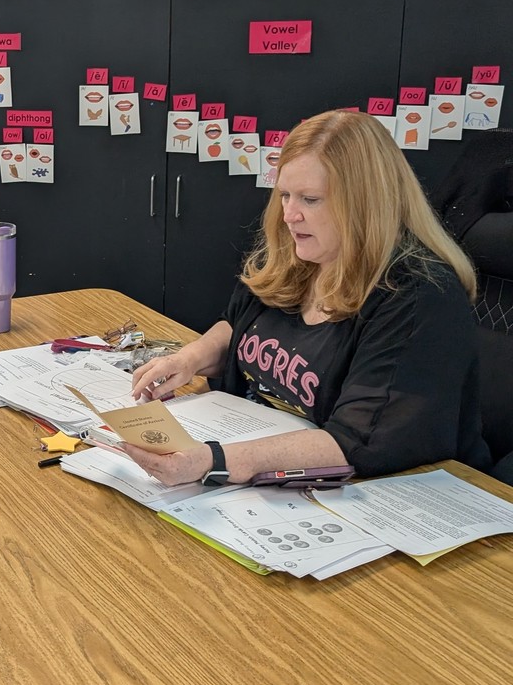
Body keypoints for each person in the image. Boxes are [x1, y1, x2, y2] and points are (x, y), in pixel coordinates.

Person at [128, 110, 492, 487]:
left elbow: (358, 442)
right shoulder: (298, 255)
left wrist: (213, 461)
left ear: (367, 204)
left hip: (383, 493)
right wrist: (188, 360)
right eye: (285, 194)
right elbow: (236, 326)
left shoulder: (418, 296)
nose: (289, 215)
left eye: (311, 199)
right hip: (261, 463)